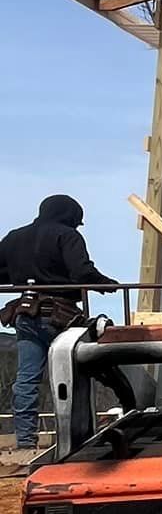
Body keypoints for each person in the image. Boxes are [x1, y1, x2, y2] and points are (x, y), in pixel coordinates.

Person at [0, 195, 117, 456]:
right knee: (77, 373)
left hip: (26, 313)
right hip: (59, 315)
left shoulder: (15, 237)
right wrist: (107, 284)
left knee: (26, 379)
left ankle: (26, 442)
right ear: (71, 216)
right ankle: (77, 438)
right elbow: (81, 272)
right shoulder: (67, 235)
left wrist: (23, 275)